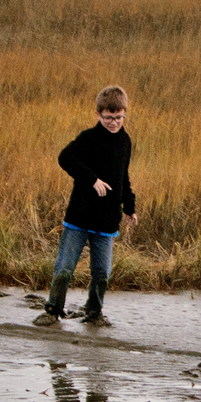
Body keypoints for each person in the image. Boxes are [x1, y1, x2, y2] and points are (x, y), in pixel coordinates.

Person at [34, 86, 138, 327]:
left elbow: (123, 177)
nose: (113, 122)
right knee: (65, 268)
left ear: (125, 114)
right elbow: (65, 157)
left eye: (118, 117)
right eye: (108, 117)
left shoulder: (125, 141)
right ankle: (52, 310)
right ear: (98, 114)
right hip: (80, 218)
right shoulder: (88, 138)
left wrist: (129, 207)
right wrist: (92, 180)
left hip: (107, 221)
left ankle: (93, 313)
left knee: (102, 273)